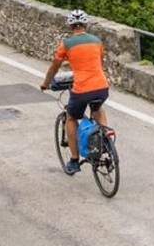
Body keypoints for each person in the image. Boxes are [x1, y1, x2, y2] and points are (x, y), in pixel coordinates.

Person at [39, 10, 110, 175]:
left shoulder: (66, 44)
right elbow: (98, 65)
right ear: (85, 25)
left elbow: (54, 66)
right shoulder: (97, 41)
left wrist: (46, 83)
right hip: (101, 86)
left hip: (82, 89)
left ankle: (74, 160)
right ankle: (106, 139)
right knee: (97, 108)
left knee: (71, 117)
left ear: (71, 26)